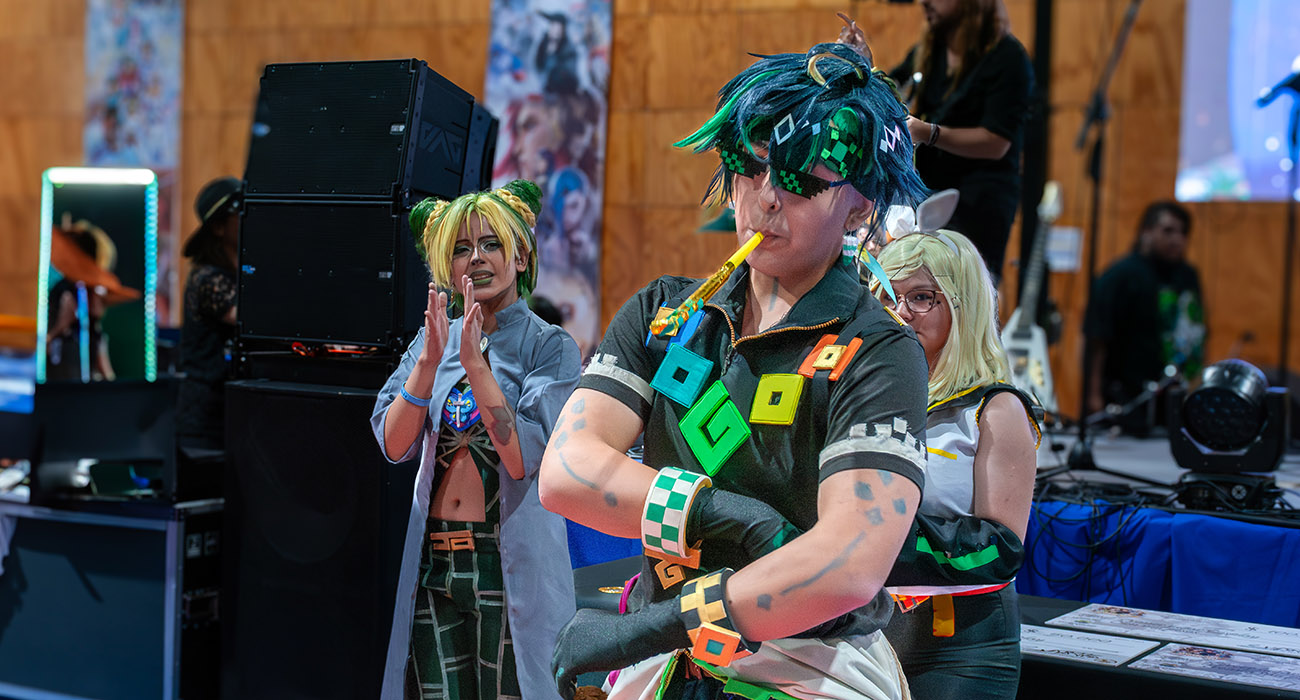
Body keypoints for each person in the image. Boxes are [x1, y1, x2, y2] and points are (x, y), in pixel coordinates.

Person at [540, 41, 932, 700]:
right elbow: (567, 471)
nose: (766, 196)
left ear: (861, 204)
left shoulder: (879, 350)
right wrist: (722, 514)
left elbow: (849, 565)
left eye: (803, 178)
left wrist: (659, 625)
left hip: (811, 670)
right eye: (749, 166)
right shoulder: (664, 314)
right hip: (664, 668)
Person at [370, 180, 580, 700]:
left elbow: (522, 458)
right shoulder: (431, 340)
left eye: (491, 244)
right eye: (462, 248)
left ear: (521, 255)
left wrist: (475, 366)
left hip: (508, 568)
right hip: (435, 565)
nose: (477, 258)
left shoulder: (550, 346)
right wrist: (428, 362)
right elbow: (393, 445)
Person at [868, 224, 1040, 700]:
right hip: (866, 631)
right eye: (889, 297)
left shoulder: (996, 410)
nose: (901, 313)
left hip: (961, 646)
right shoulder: (871, 399)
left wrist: (870, 543)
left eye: (922, 297)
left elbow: (1000, 549)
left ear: (965, 307)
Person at [886, 0, 1034, 280]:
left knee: (966, 288)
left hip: (978, 204)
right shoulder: (931, 51)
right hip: (930, 195)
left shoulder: (1008, 58)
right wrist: (862, 63)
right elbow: (891, 87)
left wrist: (929, 133)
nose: (924, 2)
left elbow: (996, 141)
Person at [1083, 200, 1205, 423]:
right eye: (1168, 231)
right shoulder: (1120, 276)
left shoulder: (1187, 276)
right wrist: (1093, 396)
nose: (1177, 239)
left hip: (1176, 397)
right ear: (1146, 232)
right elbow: (1096, 339)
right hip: (1127, 398)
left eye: (1183, 233)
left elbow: (1196, 333)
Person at [176, 177, 241, 449]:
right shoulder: (207, 278)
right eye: (240, 210)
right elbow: (247, 318)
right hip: (205, 417)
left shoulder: (240, 274)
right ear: (218, 227)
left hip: (233, 411)